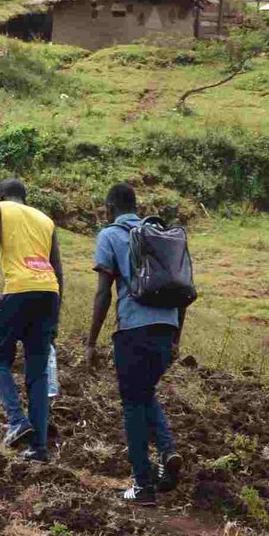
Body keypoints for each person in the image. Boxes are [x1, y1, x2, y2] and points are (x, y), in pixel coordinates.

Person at [85, 183, 186, 505]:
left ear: (109, 206)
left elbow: (103, 292)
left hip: (133, 330)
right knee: (144, 394)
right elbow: (183, 290)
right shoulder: (160, 234)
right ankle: (167, 451)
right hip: (166, 327)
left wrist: (91, 341)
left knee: (132, 404)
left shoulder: (111, 235)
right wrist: (176, 338)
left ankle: (143, 485)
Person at [0, 180, 62, 465]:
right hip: (49, 292)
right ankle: (39, 448)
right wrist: (56, 314)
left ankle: (16, 420)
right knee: (37, 374)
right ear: (25, 198)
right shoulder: (46, 220)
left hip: (19, 291)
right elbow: (58, 269)